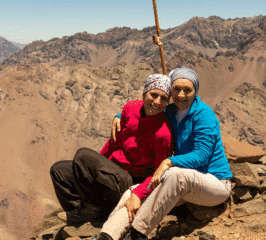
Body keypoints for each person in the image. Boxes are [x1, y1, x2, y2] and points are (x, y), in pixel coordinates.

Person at [93, 66, 232, 240]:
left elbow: (202, 155)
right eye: (176, 89)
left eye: (187, 90)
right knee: (135, 191)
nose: (181, 95)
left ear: (196, 91)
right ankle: (107, 236)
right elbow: (145, 109)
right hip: (181, 186)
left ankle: (137, 234)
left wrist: (168, 161)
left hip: (214, 185)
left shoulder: (204, 115)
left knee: (173, 174)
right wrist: (119, 115)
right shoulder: (171, 111)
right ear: (171, 90)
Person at [49, 74, 173, 225]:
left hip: (129, 181)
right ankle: (81, 213)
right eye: (153, 95)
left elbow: (158, 173)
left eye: (164, 98)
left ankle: (92, 208)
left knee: (83, 155)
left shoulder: (163, 133)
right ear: (144, 93)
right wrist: (94, 165)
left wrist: (138, 194)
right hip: (112, 170)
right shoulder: (130, 108)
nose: (157, 102)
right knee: (59, 170)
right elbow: (113, 142)